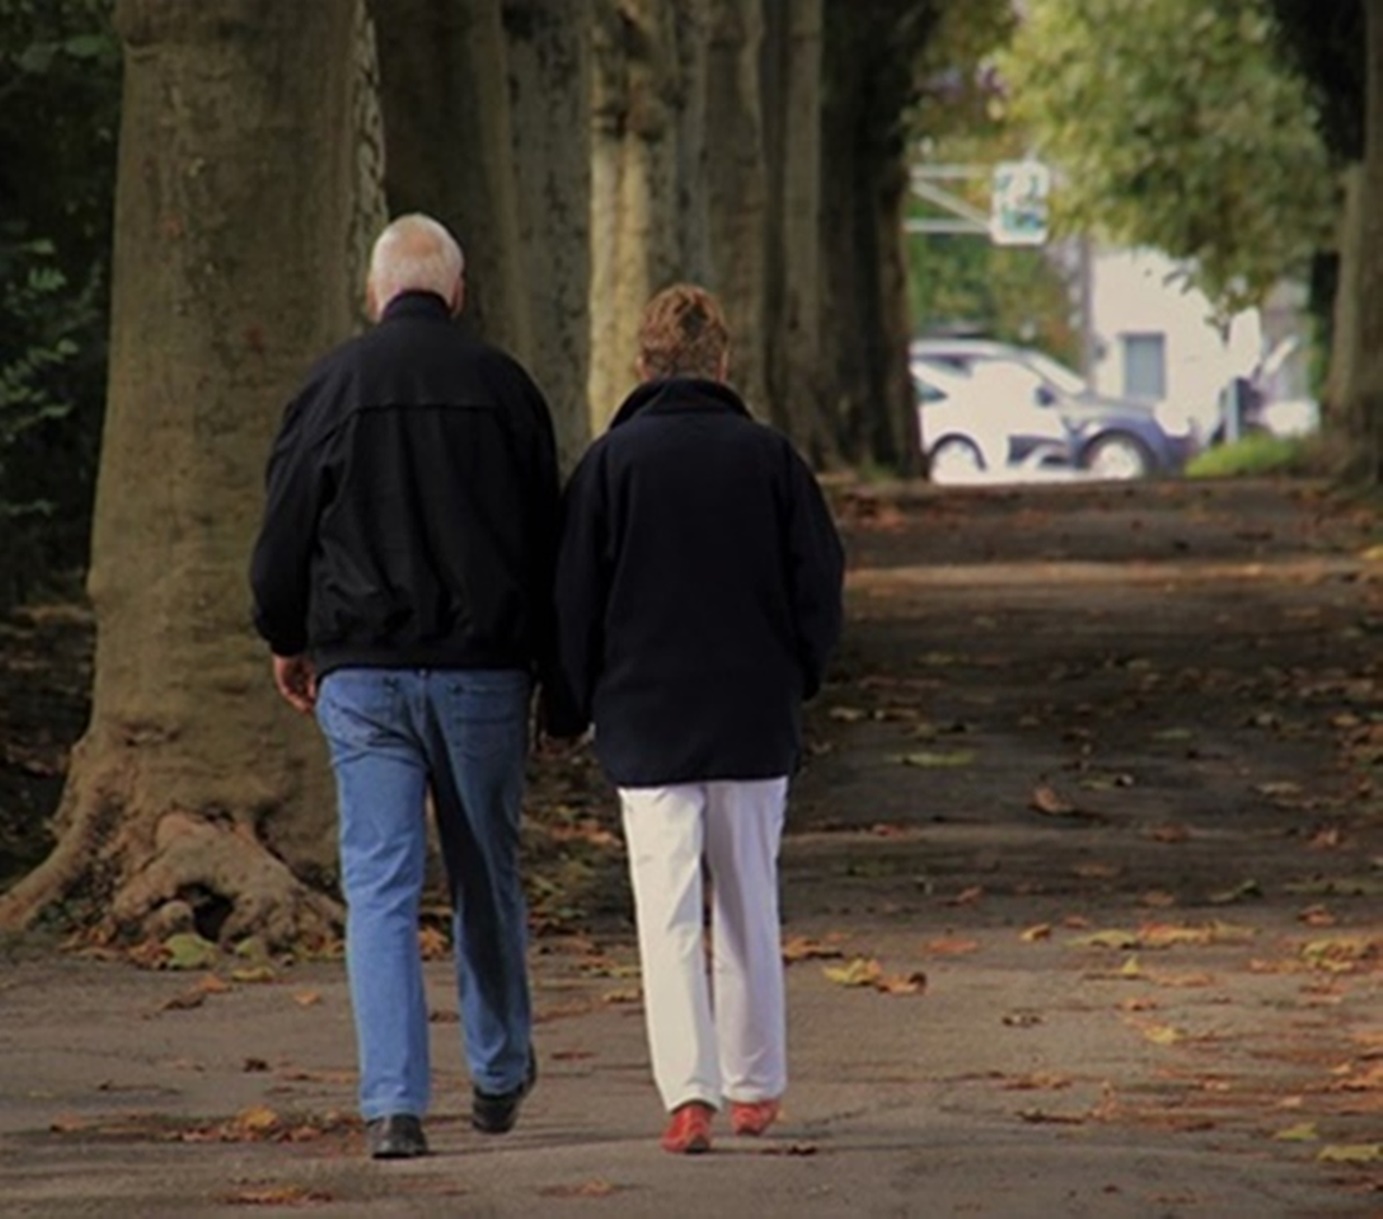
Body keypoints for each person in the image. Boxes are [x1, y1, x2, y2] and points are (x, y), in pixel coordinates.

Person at [249, 213, 578, 1160]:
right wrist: (558, 681)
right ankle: (500, 1067)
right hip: (482, 674)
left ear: (374, 291)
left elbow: (283, 533)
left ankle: (393, 1104)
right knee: (487, 874)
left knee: (381, 886)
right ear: (458, 292)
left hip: (363, 674)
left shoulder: (331, 385)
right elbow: (545, 545)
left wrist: (286, 635)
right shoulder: (506, 389)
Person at [554, 284, 845, 1154]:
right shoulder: (772, 460)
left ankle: (689, 1091)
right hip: (753, 714)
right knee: (749, 899)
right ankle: (756, 1082)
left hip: (645, 719)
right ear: (722, 363)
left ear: (642, 366)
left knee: (667, 911)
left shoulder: (610, 466)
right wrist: (804, 675)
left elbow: (574, 600)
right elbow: (817, 585)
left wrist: (569, 704)